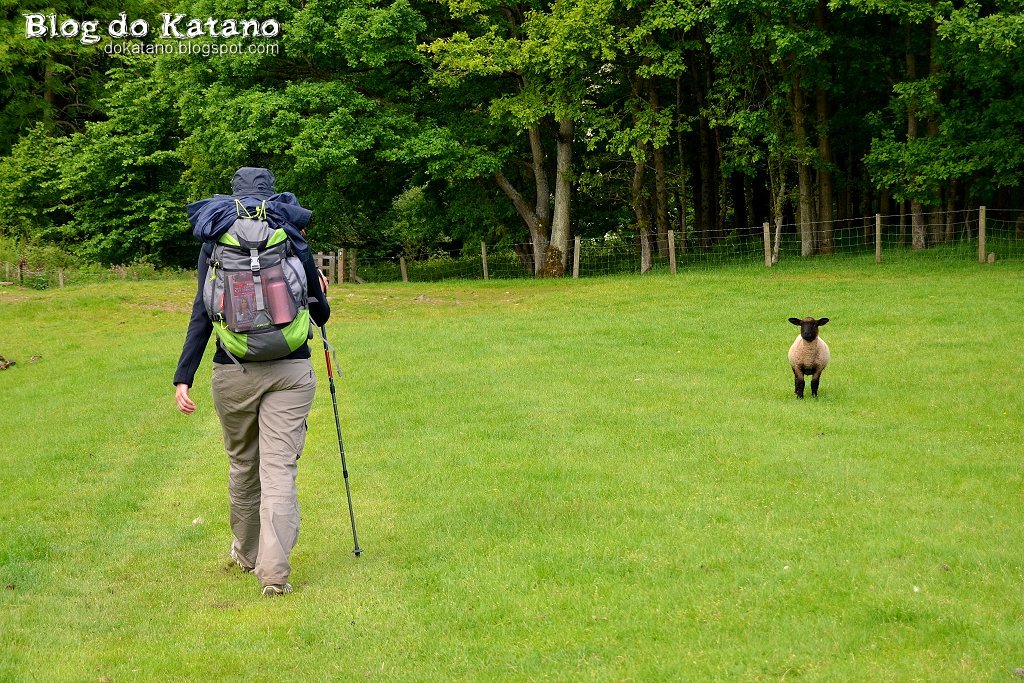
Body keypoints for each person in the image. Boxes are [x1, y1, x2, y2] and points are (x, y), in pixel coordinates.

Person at [174, 167, 330, 597]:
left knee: (244, 464)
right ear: (271, 194)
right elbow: (320, 314)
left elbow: (203, 311)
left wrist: (184, 376)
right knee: (279, 469)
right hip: (291, 371)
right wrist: (319, 290)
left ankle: (246, 554)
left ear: (233, 195)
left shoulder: (215, 240)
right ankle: (274, 574)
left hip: (232, 371)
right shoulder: (290, 234)